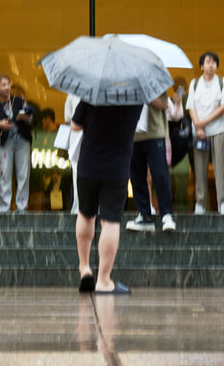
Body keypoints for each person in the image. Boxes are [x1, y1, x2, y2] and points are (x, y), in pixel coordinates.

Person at [71, 97, 145, 295]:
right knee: (110, 221)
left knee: (85, 213)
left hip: (88, 165)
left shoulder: (91, 95)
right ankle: (104, 281)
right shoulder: (135, 99)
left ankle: (85, 268)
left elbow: (75, 126)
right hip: (117, 167)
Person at [186, 51, 224, 215]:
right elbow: (191, 107)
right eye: (208, 61)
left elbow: (223, 106)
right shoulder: (194, 84)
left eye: (214, 62)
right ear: (201, 66)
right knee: (199, 168)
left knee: (221, 167)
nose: (211, 64)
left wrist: (203, 123)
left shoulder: (222, 82)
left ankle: (223, 202)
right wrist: (198, 126)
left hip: (218, 130)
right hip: (199, 133)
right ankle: (200, 203)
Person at [126, 88, 174, 233]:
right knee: (136, 176)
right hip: (133, 134)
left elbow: (164, 105)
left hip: (154, 132)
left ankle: (166, 214)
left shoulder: (154, 79)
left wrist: (145, 94)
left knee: (159, 174)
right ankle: (144, 214)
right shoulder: (127, 80)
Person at [0, 75, 33, 214]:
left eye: (8, 84)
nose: (7, 88)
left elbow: (31, 119)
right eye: (3, 85)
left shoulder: (19, 101)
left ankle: (21, 206)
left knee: (23, 174)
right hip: (4, 142)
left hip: (22, 141)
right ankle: (4, 208)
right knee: (4, 175)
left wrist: (26, 118)